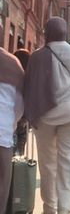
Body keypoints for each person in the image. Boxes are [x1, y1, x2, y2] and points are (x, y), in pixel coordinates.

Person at [23, 17, 70, 214]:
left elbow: (30, 87)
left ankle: (49, 209)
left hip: (44, 114)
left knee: (48, 164)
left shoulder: (36, 56)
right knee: (68, 161)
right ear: (65, 32)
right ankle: (65, 209)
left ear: (47, 32)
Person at [0, 47, 25, 211]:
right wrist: (12, 125)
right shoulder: (14, 64)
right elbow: (19, 106)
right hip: (3, 133)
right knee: (2, 188)